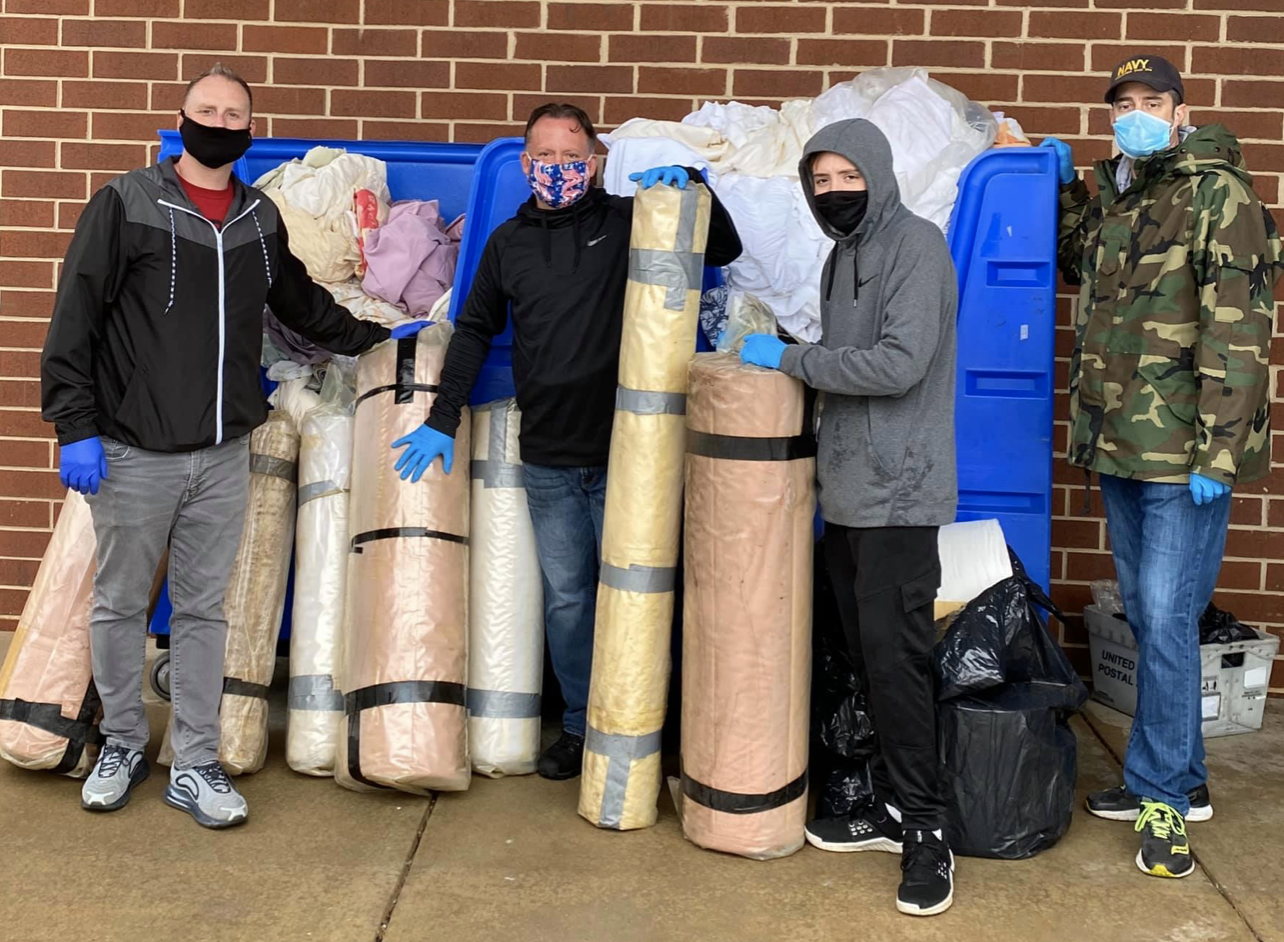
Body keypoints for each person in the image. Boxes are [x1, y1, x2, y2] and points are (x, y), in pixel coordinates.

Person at [40, 62, 427, 829]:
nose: (219, 123)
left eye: (233, 114)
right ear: (182, 120)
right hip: (135, 450)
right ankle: (122, 744)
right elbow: (73, 319)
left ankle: (193, 762)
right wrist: (75, 427)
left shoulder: (258, 217)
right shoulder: (126, 204)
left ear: (250, 130)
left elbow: (302, 303)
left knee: (201, 612)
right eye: (206, 111)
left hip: (222, 453)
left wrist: (381, 338)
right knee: (119, 606)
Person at [390, 103, 743, 780]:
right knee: (569, 600)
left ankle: (650, 725)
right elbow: (473, 331)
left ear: (595, 163)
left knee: (641, 595)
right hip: (548, 457)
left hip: (631, 457)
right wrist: (442, 417)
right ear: (526, 164)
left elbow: (721, 250)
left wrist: (696, 187)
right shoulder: (508, 244)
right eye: (545, 157)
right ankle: (581, 726)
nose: (558, 169)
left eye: (572, 157)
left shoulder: (631, 220)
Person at [1042, 55, 1281, 878]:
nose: (1135, 113)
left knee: (1168, 620)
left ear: (1182, 112)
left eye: (1152, 101)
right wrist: (1068, 186)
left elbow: (1240, 327)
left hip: (1185, 454)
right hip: (1121, 442)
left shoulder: (1219, 194)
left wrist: (1221, 448)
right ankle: (1178, 773)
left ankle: (1164, 803)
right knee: (1152, 619)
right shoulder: (1126, 191)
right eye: (1123, 104)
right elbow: (1076, 261)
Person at [740, 119, 958, 917]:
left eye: (847, 177)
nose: (834, 192)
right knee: (867, 660)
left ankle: (929, 831)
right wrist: (791, 348)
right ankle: (893, 808)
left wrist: (793, 359)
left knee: (898, 664)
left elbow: (899, 365)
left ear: (877, 173)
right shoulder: (842, 257)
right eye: (821, 181)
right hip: (849, 491)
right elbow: (848, 360)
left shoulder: (917, 247)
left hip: (901, 492)